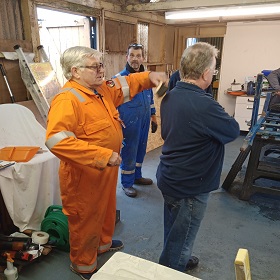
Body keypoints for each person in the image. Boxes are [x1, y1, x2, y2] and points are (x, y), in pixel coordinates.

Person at [45, 46, 167, 280]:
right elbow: (56, 142)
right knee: (85, 217)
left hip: (105, 170)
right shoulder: (67, 100)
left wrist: (150, 77)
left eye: (102, 65)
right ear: (75, 71)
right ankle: (83, 265)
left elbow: (127, 83)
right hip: (84, 175)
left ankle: (102, 245)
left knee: (106, 208)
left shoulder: (100, 90)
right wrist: (102, 156)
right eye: (96, 66)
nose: (102, 70)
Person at [156, 42, 240, 273]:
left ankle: (177, 252)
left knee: (174, 226)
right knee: (184, 229)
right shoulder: (205, 105)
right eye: (213, 69)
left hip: (170, 176)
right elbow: (232, 130)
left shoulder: (171, 96)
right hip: (190, 184)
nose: (213, 73)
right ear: (205, 73)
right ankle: (172, 267)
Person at [114, 43, 157, 198]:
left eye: (138, 56)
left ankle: (137, 176)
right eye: (132, 55)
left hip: (144, 120)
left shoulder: (146, 78)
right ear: (127, 57)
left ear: (143, 58)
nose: (135, 59)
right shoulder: (119, 80)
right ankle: (127, 183)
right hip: (129, 123)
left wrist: (153, 117)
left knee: (141, 149)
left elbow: (150, 99)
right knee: (129, 151)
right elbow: (111, 103)